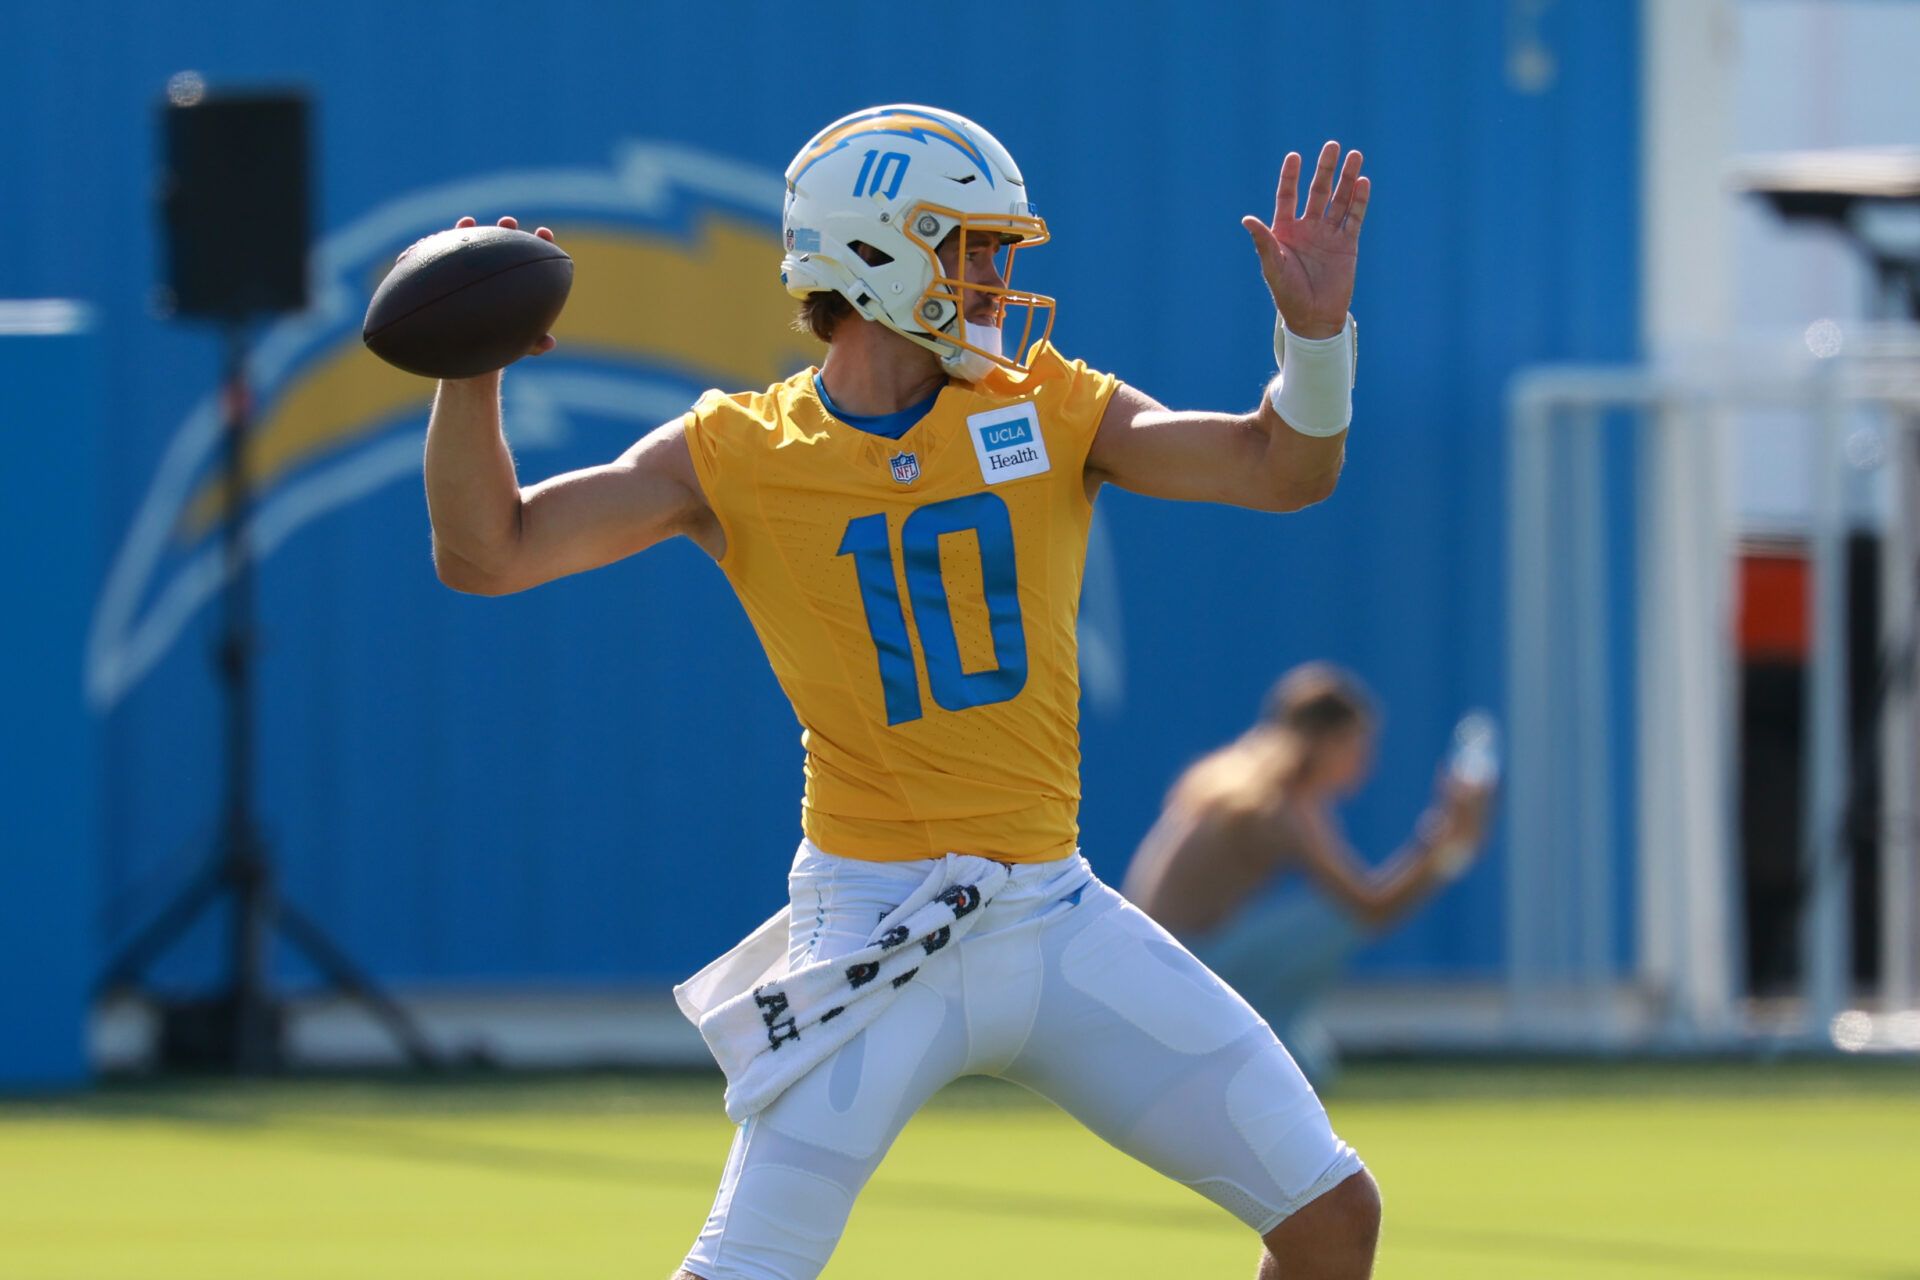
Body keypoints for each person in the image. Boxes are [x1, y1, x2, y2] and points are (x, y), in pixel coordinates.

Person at [424, 104, 1377, 1280]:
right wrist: (467, 376)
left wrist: (1316, 338)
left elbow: (1283, 468)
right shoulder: (735, 448)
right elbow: (490, 551)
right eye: (972, 247)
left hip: (1052, 907)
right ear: (874, 247)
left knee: (1331, 1214)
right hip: (875, 923)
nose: (998, 277)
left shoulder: (1044, 399)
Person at [1123, 664, 1496, 1086]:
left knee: (1310, 1050)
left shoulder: (1245, 781)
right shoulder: (1277, 803)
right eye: (1357, 744)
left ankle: (1271, 1049)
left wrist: (1442, 848)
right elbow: (1369, 907)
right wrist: (1446, 846)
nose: (1364, 761)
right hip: (1177, 972)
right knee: (1333, 917)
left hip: (1167, 965)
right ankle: (1262, 1052)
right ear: (1323, 743)